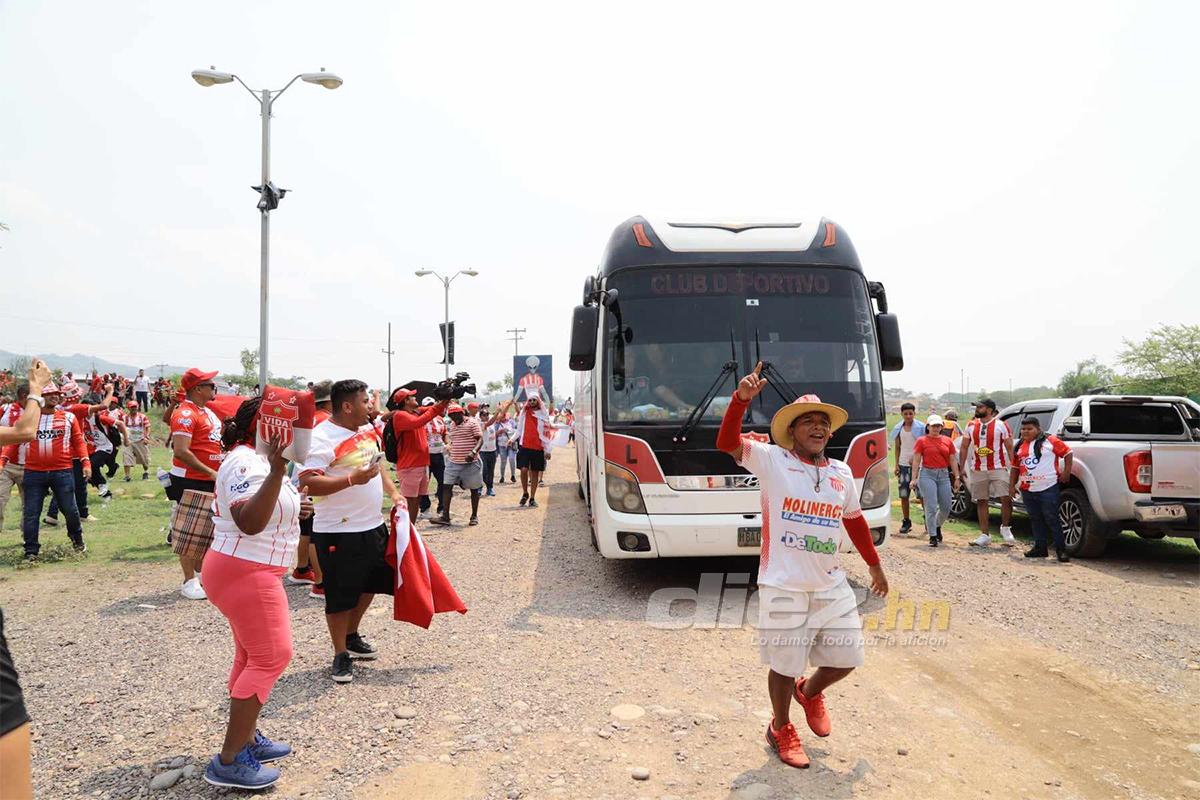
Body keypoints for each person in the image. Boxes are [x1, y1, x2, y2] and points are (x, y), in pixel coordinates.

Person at [715, 363, 888, 770]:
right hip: (783, 583)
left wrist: (875, 566)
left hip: (830, 585)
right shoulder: (771, 459)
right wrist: (740, 401)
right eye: (807, 422)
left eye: (822, 424)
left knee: (847, 659)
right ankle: (780, 727)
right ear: (792, 431)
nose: (816, 428)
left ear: (830, 433)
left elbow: (854, 521)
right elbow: (726, 443)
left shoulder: (841, 472)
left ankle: (809, 691)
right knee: (784, 664)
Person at [199, 397, 311, 789]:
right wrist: (279, 472)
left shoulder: (257, 460)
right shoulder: (249, 461)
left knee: (250, 655)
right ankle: (229, 760)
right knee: (272, 656)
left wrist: (295, 503)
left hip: (244, 566)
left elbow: (265, 510)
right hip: (246, 568)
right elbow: (248, 521)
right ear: (268, 427)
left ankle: (247, 738)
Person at [298, 379, 404, 684]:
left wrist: (393, 494)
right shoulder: (321, 438)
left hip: (372, 525)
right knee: (341, 594)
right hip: (338, 532)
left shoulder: (366, 431)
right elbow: (308, 482)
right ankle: (340, 653)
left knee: (371, 583)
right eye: (364, 401)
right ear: (347, 406)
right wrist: (351, 481)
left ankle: (352, 634)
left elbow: (377, 466)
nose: (370, 406)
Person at [15, 382, 89, 559]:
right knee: (31, 513)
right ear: (41, 397)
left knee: (71, 510)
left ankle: (77, 541)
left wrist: (86, 462)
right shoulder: (30, 418)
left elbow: (78, 442)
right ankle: (31, 551)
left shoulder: (69, 417)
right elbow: (15, 440)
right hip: (33, 473)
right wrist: (3, 461)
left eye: (56, 393)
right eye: (49, 394)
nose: (54, 396)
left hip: (62, 471)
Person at [168, 368, 224, 600]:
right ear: (198, 388)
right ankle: (188, 580)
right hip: (191, 478)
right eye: (210, 385)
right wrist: (210, 471)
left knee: (206, 530)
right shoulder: (186, 413)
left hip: (209, 478)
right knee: (189, 531)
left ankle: (201, 575)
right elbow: (181, 450)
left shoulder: (206, 412)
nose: (214, 388)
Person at [43, 380, 112, 525]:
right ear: (75, 396)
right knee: (79, 485)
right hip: (75, 453)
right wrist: (110, 391)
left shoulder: (60, 408)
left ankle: (52, 514)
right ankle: (83, 514)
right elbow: (104, 406)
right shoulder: (76, 408)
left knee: (64, 484)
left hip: (63, 451)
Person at [288, 380, 332, 598]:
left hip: (297, 478)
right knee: (316, 532)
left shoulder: (305, 418)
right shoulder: (326, 422)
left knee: (306, 529)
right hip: (313, 479)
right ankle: (322, 583)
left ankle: (302, 569)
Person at [1011, 417, 1074, 562]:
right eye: (1023, 429)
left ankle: (1061, 550)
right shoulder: (1020, 445)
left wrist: (1066, 472)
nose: (1025, 431)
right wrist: (1012, 486)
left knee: (1052, 518)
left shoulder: (1050, 441)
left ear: (1038, 429)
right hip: (1028, 489)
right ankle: (1040, 548)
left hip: (1048, 487)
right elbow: (1015, 467)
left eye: (1029, 429)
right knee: (1035, 518)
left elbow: (1068, 453)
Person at [958, 398, 1016, 547]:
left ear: (989, 410)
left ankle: (1005, 528)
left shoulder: (1001, 425)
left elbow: (1010, 448)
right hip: (978, 469)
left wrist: (1015, 467)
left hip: (998, 467)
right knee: (981, 500)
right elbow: (964, 447)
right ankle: (984, 534)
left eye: (980, 407)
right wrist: (961, 467)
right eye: (976, 407)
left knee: (1006, 497)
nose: (977, 409)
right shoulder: (971, 425)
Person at [387, 388, 448, 528]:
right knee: (408, 500)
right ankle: (400, 529)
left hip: (420, 464)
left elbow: (433, 409)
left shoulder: (414, 412)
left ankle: (410, 529)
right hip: (410, 466)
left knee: (416, 500)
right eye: (412, 397)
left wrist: (445, 399)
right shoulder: (401, 415)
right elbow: (421, 421)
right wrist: (438, 406)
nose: (416, 398)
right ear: (406, 401)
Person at [912, 414, 961, 547]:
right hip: (927, 474)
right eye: (933, 426)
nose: (936, 428)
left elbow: (952, 459)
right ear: (928, 426)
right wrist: (914, 478)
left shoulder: (947, 441)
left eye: (938, 426)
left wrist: (957, 477)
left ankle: (937, 525)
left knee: (946, 506)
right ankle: (933, 535)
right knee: (931, 506)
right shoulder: (921, 441)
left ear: (942, 427)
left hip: (943, 474)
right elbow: (916, 460)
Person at [431, 404, 484, 526]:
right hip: (453, 462)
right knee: (446, 486)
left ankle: (474, 515)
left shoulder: (472, 422)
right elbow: (453, 440)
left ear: (462, 413)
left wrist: (473, 451)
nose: (454, 418)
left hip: (471, 462)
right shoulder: (452, 425)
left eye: (456, 415)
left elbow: (480, 439)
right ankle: (445, 516)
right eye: (451, 416)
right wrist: (450, 447)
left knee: (474, 489)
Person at [499, 395, 549, 508]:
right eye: (530, 400)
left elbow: (546, 431)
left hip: (538, 447)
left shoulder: (543, 413)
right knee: (524, 469)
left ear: (538, 401)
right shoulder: (524, 412)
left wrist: (547, 449)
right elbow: (519, 429)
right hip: (524, 445)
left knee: (535, 472)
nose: (532, 402)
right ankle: (525, 492)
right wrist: (511, 440)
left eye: (534, 400)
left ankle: (532, 498)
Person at [890, 403, 925, 535]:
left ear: (914, 413)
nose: (908, 416)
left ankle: (928, 519)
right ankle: (906, 521)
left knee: (921, 494)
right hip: (903, 465)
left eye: (911, 413)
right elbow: (897, 447)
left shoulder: (921, 427)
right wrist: (897, 464)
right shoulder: (899, 428)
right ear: (902, 414)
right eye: (906, 414)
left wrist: (920, 460)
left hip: (919, 466)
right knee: (904, 495)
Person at [423, 400, 448, 518]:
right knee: (424, 483)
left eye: (432, 405)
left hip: (438, 455)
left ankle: (442, 508)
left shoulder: (439, 419)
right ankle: (425, 508)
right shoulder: (421, 419)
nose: (430, 407)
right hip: (425, 456)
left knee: (443, 481)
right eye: (428, 405)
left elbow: (445, 433)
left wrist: (447, 444)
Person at [120, 400, 151, 481]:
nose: (134, 409)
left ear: (137, 407)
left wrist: (147, 437)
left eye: (135, 407)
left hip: (140, 440)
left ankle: (146, 472)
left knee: (144, 458)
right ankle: (127, 476)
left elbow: (147, 427)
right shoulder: (124, 418)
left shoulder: (142, 417)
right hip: (128, 440)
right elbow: (120, 428)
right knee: (126, 456)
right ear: (128, 408)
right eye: (132, 407)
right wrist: (123, 437)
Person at [478, 407, 498, 497]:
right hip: (483, 451)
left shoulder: (492, 424)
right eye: (484, 415)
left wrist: (507, 405)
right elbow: (491, 421)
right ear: (480, 416)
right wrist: (497, 412)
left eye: (487, 414)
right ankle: (480, 487)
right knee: (484, 470)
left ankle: (489, 488)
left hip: (492, 451)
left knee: (491, 471)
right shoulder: (481, 424)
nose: (486, 416)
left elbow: (500, 416)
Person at [494, 411, 518, 484]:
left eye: (504, 415)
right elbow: (494, 434)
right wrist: (500, 431)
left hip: (511, 445)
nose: (503, 417)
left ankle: (513, 475)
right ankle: (502, 476)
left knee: (512, 459)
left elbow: (516, 431)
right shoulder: (497, 425)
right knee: (503, 461)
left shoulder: (511, 422)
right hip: (501, 445)